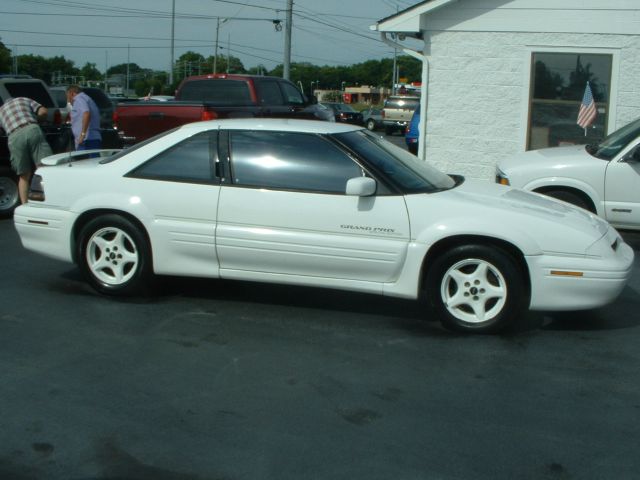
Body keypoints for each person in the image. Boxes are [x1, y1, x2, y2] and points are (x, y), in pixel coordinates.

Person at [0, 97, 52, 204]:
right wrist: (35, 120)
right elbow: (43, 111)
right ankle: (49, 199)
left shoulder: (0, 111)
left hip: (14, 136)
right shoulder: (23, 99)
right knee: (44, 168)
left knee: (24, 176)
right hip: (31, 128)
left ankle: (25, 205)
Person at [66, 85, 101, 150]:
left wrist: (82, 135)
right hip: (92, 138)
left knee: (84, 160)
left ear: (72, 93)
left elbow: (86, 113)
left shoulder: (79, 99)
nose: (67, 99)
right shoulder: (86, 98)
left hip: (86, 140)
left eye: (67, 96)